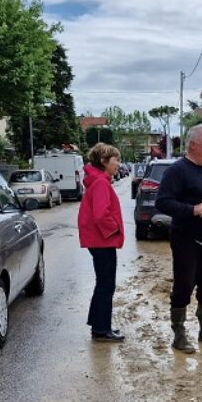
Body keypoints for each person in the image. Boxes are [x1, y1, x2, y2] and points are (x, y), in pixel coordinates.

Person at [155, 124, 202, 353]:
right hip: (186, 238)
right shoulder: (177, 171)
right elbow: (162, 202)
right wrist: (192, 209)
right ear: (193, 145)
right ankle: (179, 334)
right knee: (184, 284)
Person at [77, 142, 125, 342]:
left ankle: (98, 325)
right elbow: (100, 215)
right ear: (104, 161)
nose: (118, 164)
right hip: (102, 241)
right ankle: (102, 329)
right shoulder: (101, 183)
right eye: (116, 160)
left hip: (98, 241)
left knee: (103, 283)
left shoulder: (98, 181)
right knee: (106, 284)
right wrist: (114, 229)